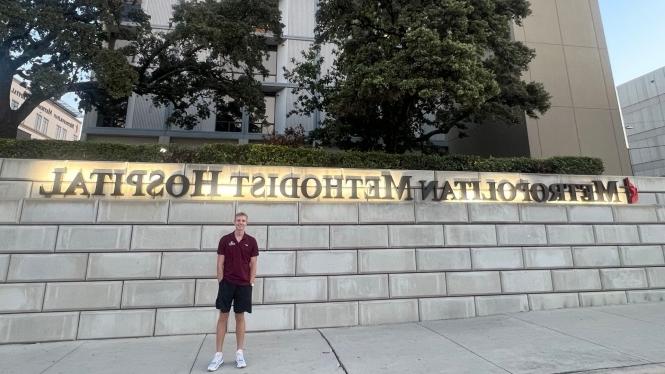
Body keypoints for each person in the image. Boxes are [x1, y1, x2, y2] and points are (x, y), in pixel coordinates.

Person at [207, 212, 259, 371]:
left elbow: (253, 264)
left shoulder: (251, 241)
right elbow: (219, 263)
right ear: (234, 222)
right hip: (227, 284)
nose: (240, 223)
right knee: (223, 316)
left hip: (243, 285)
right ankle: (218, 355)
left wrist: (251, 283)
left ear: (246, 223)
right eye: (238, 220)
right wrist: (221, 282)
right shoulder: (225, 240)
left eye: (243, 221)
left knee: (240, 317)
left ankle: (239, 353)